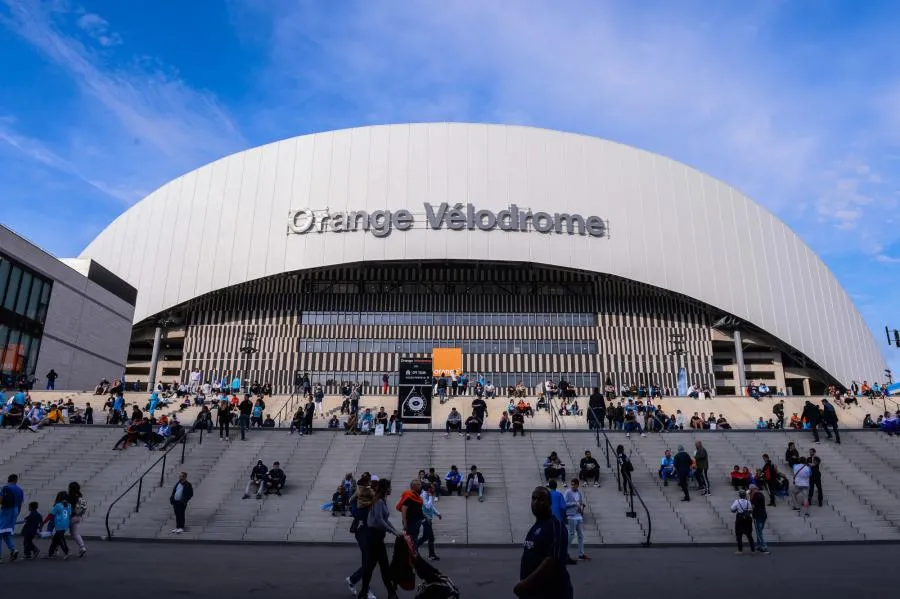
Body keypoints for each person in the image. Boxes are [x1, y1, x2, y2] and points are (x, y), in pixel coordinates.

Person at [514, 486, 572, 599]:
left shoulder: (556, 525)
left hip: (553, 593)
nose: (536, 502)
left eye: (541, 499)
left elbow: (552, 560)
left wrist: (525, 583)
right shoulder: (535, 527)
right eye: (534, 498)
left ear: (550, 502)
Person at [359, 478, 402, 599]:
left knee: (371, 566)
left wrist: (395, 530)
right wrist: (393, 532)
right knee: (382, 566)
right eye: (389, 487)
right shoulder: (379, 502)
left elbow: (385, 519)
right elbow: (379, 520)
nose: (391, 489)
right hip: (374, 537)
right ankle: (391, 593)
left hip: (376, 537)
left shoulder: (381, 500)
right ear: (385, 488)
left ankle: (364, 592)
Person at [564, 478, 589, 561]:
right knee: (571, 535)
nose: (573, 486)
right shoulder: (568, 492)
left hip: (578, 516)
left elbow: (580, 502)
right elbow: (564, 504)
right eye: (572, 484)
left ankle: (581, 554)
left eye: (574, 484)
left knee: (581, 535)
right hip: (571, 516)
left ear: (578, 485)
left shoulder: (579, 492)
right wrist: (574, 504)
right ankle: (564, 553)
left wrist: (581, 507)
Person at [0, 474, 25, 561]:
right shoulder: (20, 490)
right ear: (16, 480)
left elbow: (1, 500)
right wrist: (17, 513)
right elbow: (20, 503)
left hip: (6, 511)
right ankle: (13, 549)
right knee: (6, 533)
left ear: (8, 479)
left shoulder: (5, 488)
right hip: (15, 511)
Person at [43, 491, 71, 559]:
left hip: (59, 524)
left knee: (59, 540)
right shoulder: (69, 505)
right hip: (65, 524)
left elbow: (51, 515)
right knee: (56, 540)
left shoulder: (57, 505)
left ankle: (66, 552)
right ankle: (50, 554)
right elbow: (69, 514)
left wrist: (44, 523)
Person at [419, 482, 441, 561]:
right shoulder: (423, 495)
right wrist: (431, 496)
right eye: (432, 487)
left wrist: (438, 514)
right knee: (429, 537)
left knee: (427, 537)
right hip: (425, 519)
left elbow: (431, 507)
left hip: (428, 519)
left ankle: (431, 555)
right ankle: (412, 548)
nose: (434, 488)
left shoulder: (427, 495)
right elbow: (428, 506)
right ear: (429, 489)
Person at [730, 489, 755, 554]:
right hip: (747, 519)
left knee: (739, 534)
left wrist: (736, 510)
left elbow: (732, 509)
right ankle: (753, 550)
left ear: (739, 495)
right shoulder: (748, 502)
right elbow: (751, 509)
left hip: (740, 518)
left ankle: (740, 550)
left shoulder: (737, 501)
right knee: (749, 534)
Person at [67, 481, 87, 557]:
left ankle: (57, 548)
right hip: (78, 517)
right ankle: (82, 547)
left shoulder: (70, 497)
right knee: (75, 533)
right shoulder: (80, 496)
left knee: (60, 533)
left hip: (71, 517)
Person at [748, 484, 770, 553]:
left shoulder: (754, 496)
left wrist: (750, 496)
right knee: (760, 531)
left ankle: (764, 546)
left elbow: (752, 505)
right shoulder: (761, 495)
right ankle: (759, 545)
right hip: (763, 514)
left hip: (757, 515)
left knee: (759, 532)